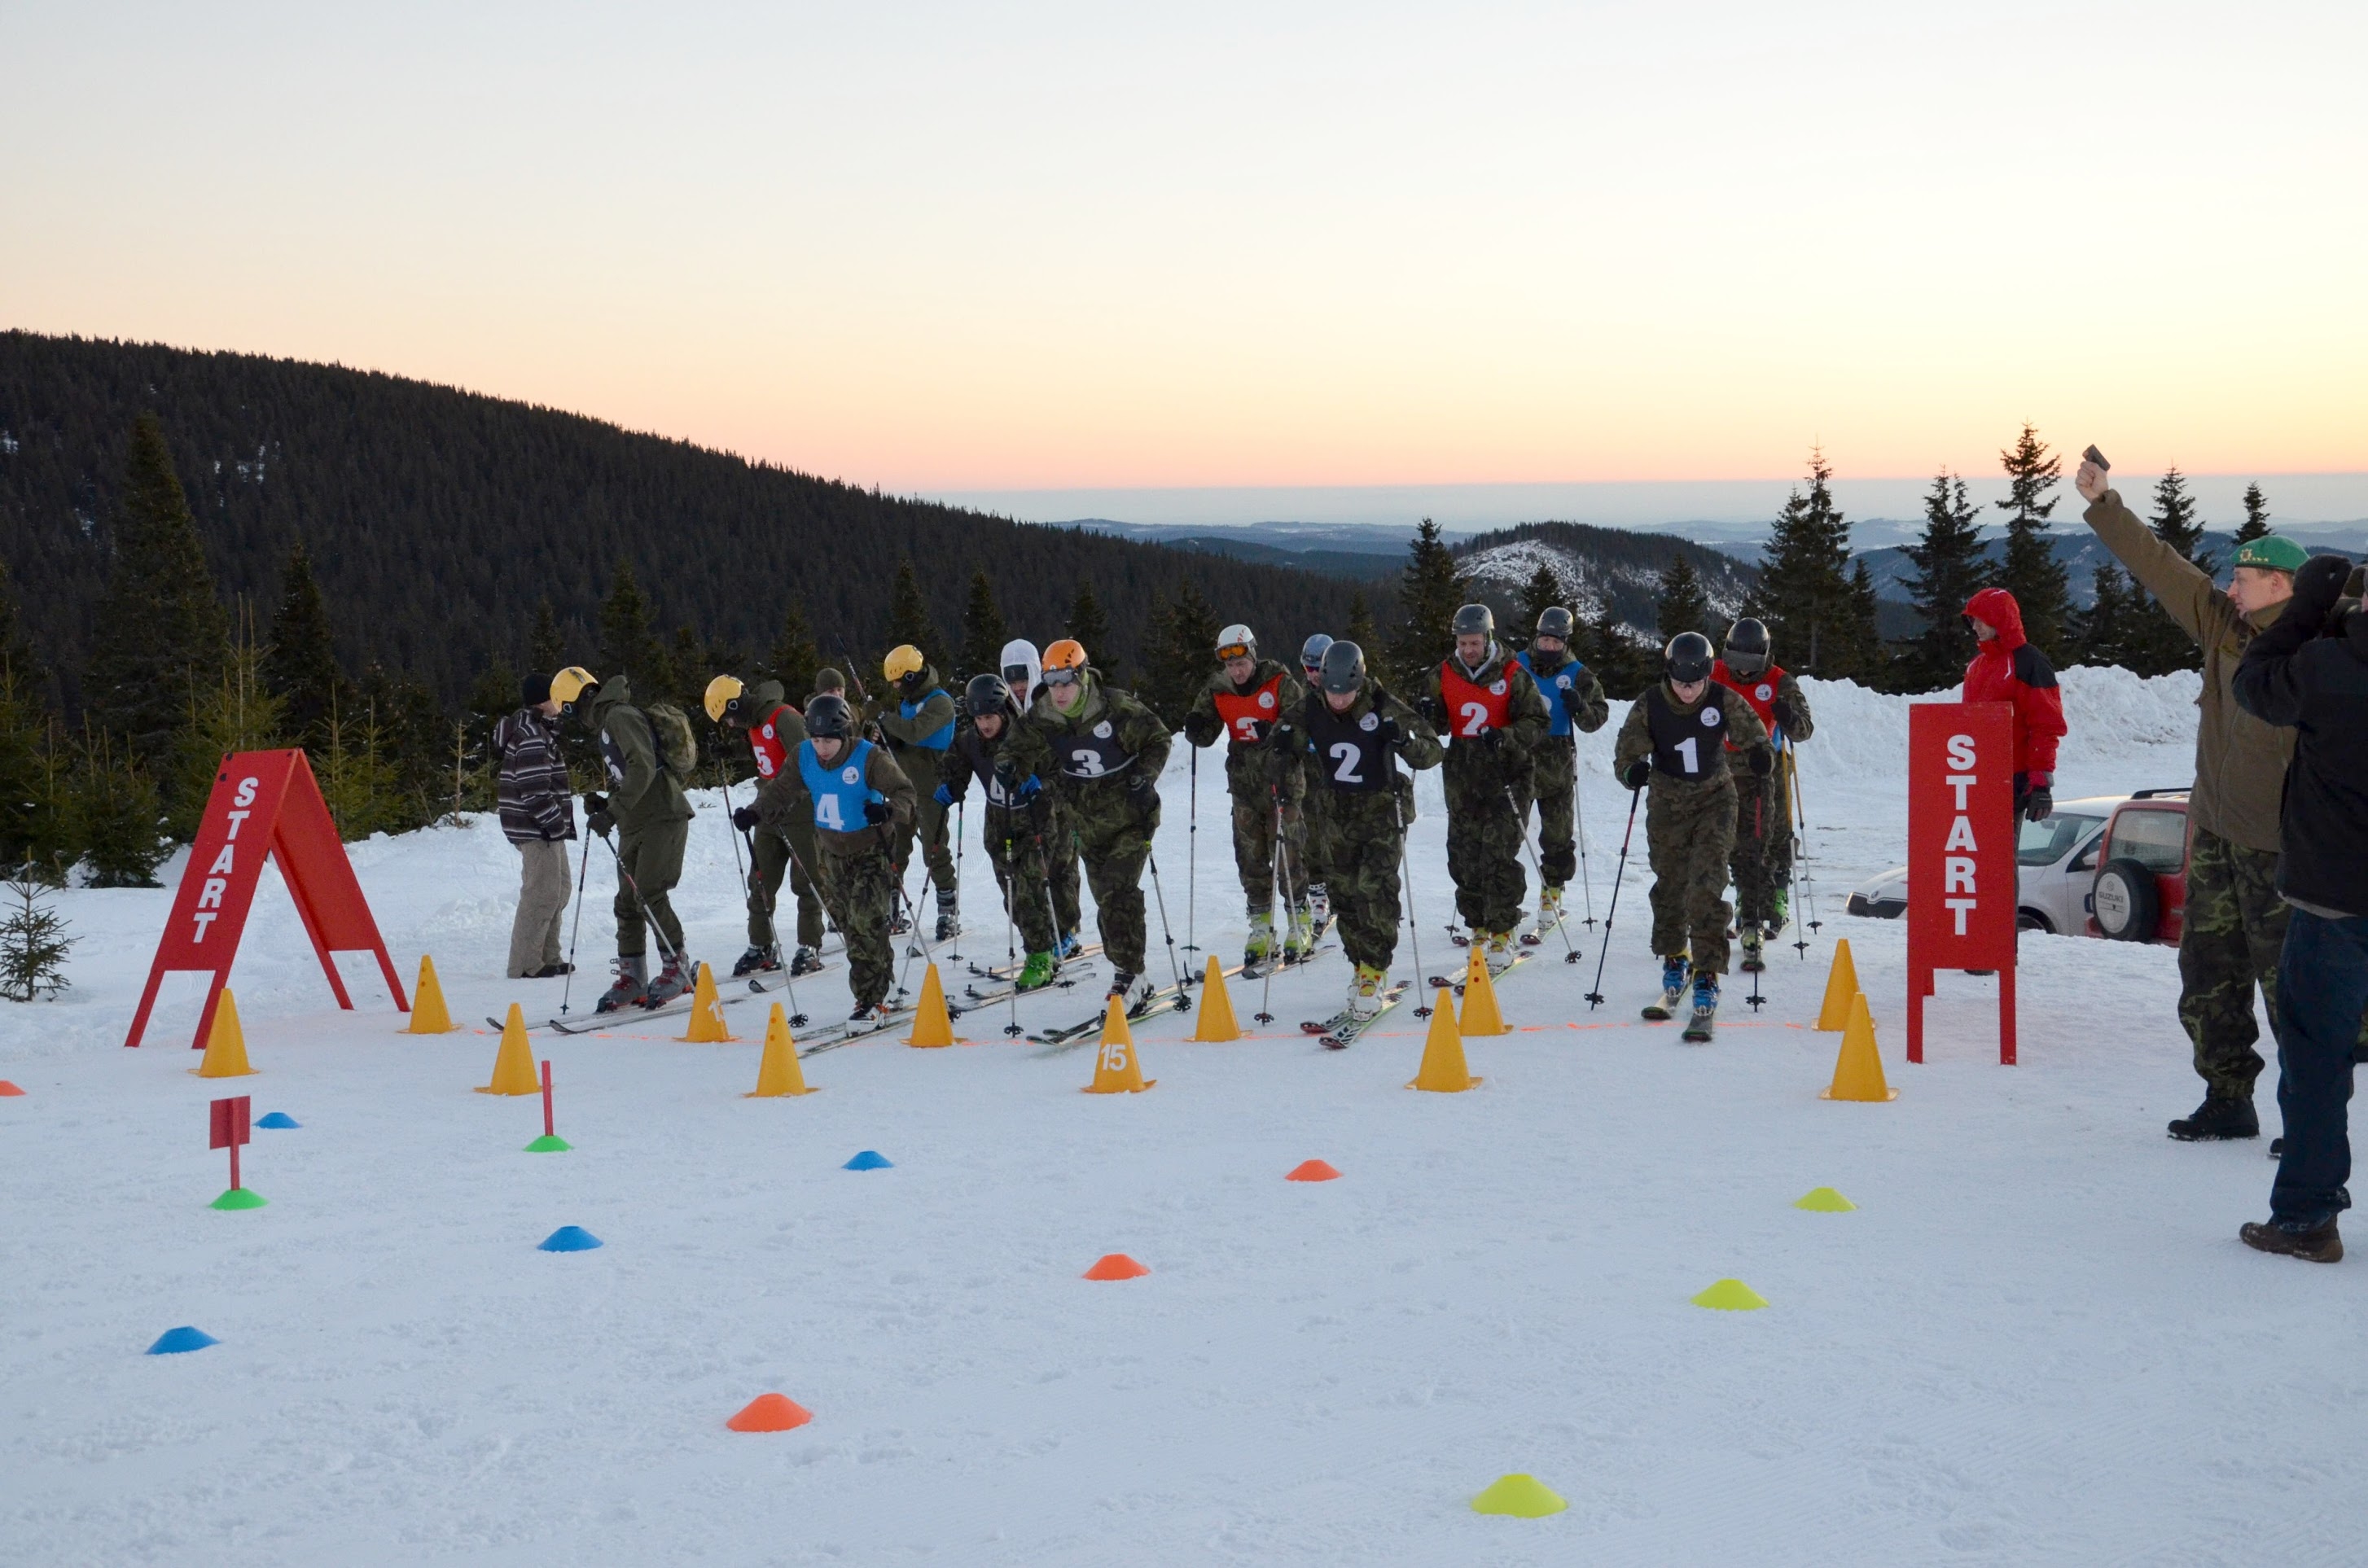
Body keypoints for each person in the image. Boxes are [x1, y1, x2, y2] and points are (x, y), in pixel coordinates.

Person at [2074, 453, 2338, 1139]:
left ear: (2281, 584)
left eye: (2244, 579)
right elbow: (2162, 567)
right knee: (2208, 977)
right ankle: (2227, 1097)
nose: (2231, 586)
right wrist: (2106, 505)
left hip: (2286, 851)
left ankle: (2306, 1121)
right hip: (2217, 834)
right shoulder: (2225, 627)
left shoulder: (2321, 649)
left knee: (2294, 994)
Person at [2231, 555, 2368, 1261]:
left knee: (2315, 1061)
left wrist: (2308, 610)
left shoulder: (2327, 668)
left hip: (2334, 901)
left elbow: (2253, 685)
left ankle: (2307, 1217)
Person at [1612, 632, 1774, 1036]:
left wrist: (1760, 755)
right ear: (1669, 676)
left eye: (1696, 683)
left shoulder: (1723, 698)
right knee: (1670, 883)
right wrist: (1632, 771)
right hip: (1667, 801)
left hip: (1715, 798)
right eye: (1682, 683)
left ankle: (1707, 970)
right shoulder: (1651, 702)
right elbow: (1627, 750)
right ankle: (1674, 956)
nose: (1689, 691)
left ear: (1706, 676)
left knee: (1706, 883)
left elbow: (1756, 736)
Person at [1010, 637, 1172, 1001]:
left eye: (1066, 683)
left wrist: (1144, 777)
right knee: (1105, 900)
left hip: (1131, 818)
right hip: (1087, 824)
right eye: (1052, 684)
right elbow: (1017, 745)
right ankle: (1131, 972)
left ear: (1082, 676)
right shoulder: (1046, 714)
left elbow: (1158, 738)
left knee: (1119, 891)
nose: (1060, 693)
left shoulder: (1114, 707)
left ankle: (1129, 974)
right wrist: (1010, 767)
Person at [1291, 640, 1443, 1018]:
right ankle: (1359, 965)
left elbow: (1432, 750)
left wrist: (1403, 741)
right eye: (1332, 692)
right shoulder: (1311, 706)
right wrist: (1281, 744)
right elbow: (1282, 738)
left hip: (1380, 814)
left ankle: (1374, 972)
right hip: (1334, 816)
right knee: (1344, 897)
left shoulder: (1382, 704)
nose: (1339, 700)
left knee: (1376, 891)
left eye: (1346, 693)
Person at [552, 666, 696, 1012]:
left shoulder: (619, 715)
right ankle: (633, 976)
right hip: (637, 821)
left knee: (649, 893)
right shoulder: (609, 721)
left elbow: (644, 766)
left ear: (572, 703)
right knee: (628, 900)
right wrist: (608, 802)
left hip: (662, 816)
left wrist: (612, 812)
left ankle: (677, 968)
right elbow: (631, 773)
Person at [767, 691, 916, 1023]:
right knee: (848, 924)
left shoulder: (868, 757)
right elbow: (781, 789)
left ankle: (870, 997)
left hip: (871, 849)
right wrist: (755, 812)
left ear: (843, 735)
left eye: (828, 741)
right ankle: (877, 984)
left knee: (867, 920)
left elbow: (905, 792)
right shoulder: (803, 756)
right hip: (830, 853)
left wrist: (888, 810)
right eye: (816, 740)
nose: (822, 748)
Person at [1419, 603, 1549, 974]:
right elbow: (1435, 719)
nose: (1468, 650)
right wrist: (1430, 714)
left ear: (1488, 638)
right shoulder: (1443, 673)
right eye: (1462, 643)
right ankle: (1477, 924)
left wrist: (1506, 736)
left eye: (1474, 642)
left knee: (1498, 855)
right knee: (1463, 855)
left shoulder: (1511, 672)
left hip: (1507, 773)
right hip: (1462, 775)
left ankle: (1502, 930)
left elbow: (1538, 720)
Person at [1182, 624, 1311, 969]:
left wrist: (1281, 733)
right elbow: (1206, 732)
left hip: (1282, 782)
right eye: (1230, 664)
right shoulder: (1217, 688)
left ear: (1253, 656)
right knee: (1251, 856)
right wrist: (1196, 727)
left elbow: (1307, 732)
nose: (1237, 671)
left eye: (1242, 662)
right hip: (1243, 784)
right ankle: (1260, 925)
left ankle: (1300, 919)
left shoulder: (1280, 683)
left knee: (1287, 851)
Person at [937, 673, 1062, 988]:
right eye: (979, 718)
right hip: (998, 824)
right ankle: (1042, 943)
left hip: (1034, 822)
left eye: (990, 717)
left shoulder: (1028, 735)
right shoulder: (970, 740)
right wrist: (951, 787)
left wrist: (1041, 785)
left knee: (1029, 892)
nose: (985, 725)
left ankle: (1041, 955)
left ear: (1004, 709)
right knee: (1011, 895)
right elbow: (956, 765)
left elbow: (1061, 775)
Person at [703, 674, 828, 979]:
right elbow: (767, 758)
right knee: (760, 881)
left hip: (799, 811)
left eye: (729, 718)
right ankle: (761, 945)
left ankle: (809, 945)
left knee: (806, 880)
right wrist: (729, 753)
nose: (731, 725)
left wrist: (783, 802)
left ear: (737, 704)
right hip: (768, 812)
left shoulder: (783, 716)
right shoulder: (756, 724)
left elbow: (805, 764)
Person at [1710, 617, 1813, 971]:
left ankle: (1774, 898)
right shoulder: (1715, 671)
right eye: (1735, 666)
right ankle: (1734, 902)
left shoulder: (1779, 681)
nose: (1741, 674)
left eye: (1749, 668)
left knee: (1767, 836)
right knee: (1721, 839)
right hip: (1719, 766)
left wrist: (1788, 716)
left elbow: (1804, 730)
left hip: (1764, 766)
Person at [1512, 606, 1610, 937]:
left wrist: (1580, 707)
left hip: (1556, 759)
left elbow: (1597, 717)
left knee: (1557, 833)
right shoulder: (1516, 664)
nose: (1549, 646)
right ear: (1536, 636)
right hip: (1519, 756)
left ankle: (1553, 889)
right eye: (1544, 639)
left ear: (1565, 641)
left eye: (1556, 641)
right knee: (1509, 830)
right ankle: (1502, 900)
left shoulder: (1578, 673)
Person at [1000, 636, 1083, 955]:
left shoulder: (1054, 698)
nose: (1018, 686)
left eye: (1022, 677)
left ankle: (1068, 929)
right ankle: (1046, 931)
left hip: (1061, 794)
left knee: (1062, 866)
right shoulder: (1007, 707)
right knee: (1037, 869)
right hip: (1027, 801)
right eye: (1011, 678)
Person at [491, 672, 577, 979]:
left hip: (548, 828)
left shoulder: (542, 730)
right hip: (537, 828)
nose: (562, 701)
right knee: (541, 893)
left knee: (559, 888)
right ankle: (525, 964)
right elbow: (534, 790)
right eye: (556, 696)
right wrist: (554, 824)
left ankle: (547, 955)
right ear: (544, 700)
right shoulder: (531, 736)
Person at [875, 646, 962, 940]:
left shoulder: (941, 703)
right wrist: (890, 739)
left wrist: (886, 719)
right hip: (904, 787)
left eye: (899, 681)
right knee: (895, 847)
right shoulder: (908, 703)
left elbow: (915, 733)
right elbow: (906, 740)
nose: (896, 687)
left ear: (912, 676)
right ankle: (891, 908)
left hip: (931, 788)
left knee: (934, 849)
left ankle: (947, 910)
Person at [1959, 588, 2066, 824]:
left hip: (2013, 779)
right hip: (1974, 773)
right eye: (1972, 620)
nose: (1975, 627)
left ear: (2001, 620)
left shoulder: (2029, 662)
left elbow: (2046, 725)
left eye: (1982, 620)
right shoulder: (1977, 665)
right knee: (1974, 853)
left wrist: (2040, 782)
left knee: (2001, 857)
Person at [1296, 631, 1336, 929]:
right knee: (1309, 833)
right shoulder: (1301, 696)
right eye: (1307, 669)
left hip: (1341, 777)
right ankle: (1319, 892)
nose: (1312, 676)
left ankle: (1346, 891)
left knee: (1340, 833)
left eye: (1317, 669)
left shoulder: (1345, 691)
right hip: (1308, 777)